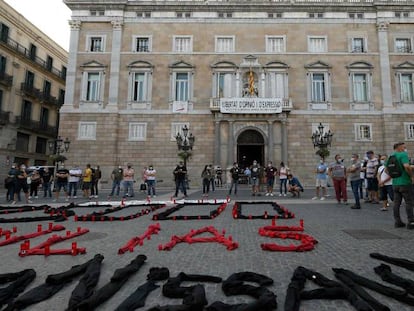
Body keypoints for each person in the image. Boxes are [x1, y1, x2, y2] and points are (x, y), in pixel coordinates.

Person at [386, 142, 414, 229]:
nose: (405, 148)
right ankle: (411, 222)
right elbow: (406, 166)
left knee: (396, 203)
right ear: (399, 148)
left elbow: (386, 170)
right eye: (404, 147)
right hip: (405, 182)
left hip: (395, 183)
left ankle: (398, 222)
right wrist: (411, 176)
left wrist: (394, 176)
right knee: (409, 202)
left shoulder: (390, 157)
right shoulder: (403, 155)